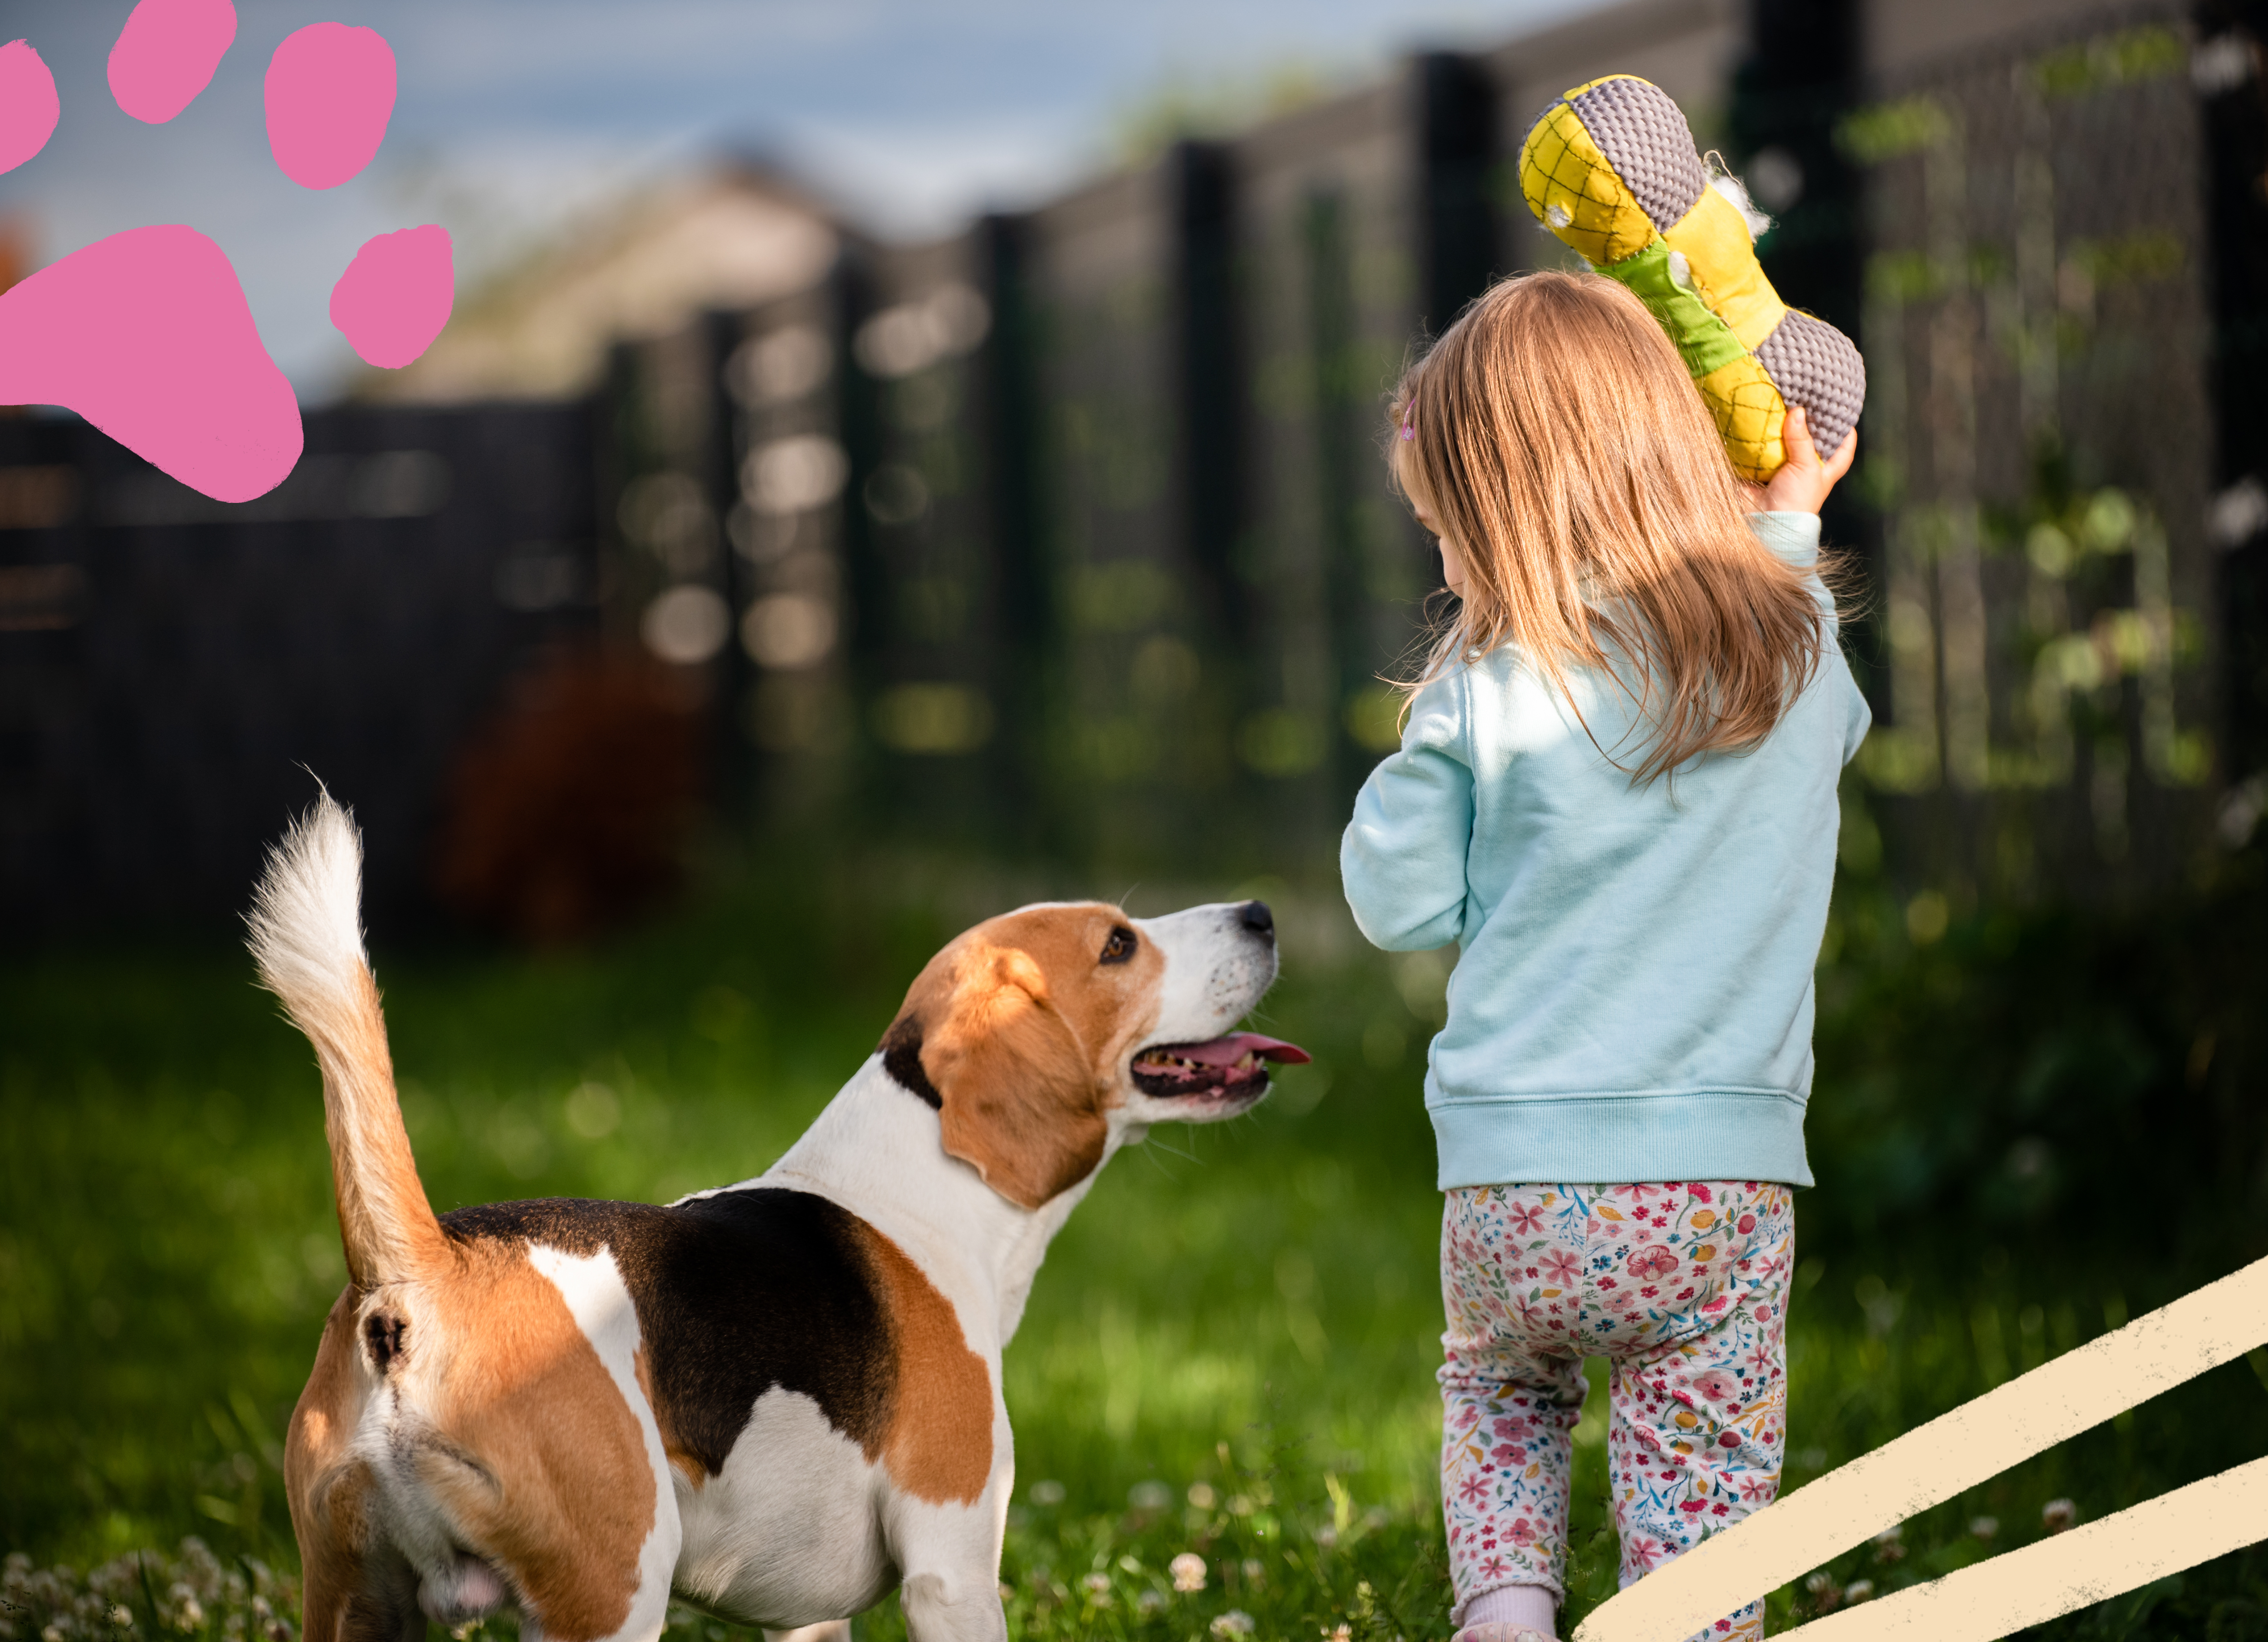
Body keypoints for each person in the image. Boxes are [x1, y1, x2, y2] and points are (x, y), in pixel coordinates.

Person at [1339, 270, 1867, 1642]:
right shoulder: (1792, 652)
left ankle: (1506, 1618)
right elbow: (1821, 718)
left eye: (1451, 535)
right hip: (1721, 1189)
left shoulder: (1488, 686)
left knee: (1506, 1402)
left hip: (1515, 1185)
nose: (1448, 569)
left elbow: (1395, 903)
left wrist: (1429, 735)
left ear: (1508, 521)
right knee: (1700, 1472)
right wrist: (1790, 522)